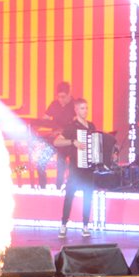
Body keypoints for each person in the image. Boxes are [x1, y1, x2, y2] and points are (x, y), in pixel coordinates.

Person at [53, 99, 96, 239]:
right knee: (69, 196)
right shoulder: (71, 127)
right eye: (82, 108)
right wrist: (73, 142)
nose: (85, 111)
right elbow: (57, 141)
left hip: (89, 168)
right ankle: (63, 224)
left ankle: (85, 225)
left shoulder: (91, 126)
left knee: (88, 197)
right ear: (76, 110)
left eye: (87, 108)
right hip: (75, 168)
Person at [40, 82, 76, 189]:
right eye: (59, 97)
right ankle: (42, 189)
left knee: (61, 163)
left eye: (63, 97)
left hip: (66, 141)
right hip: (53, 139)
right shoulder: (54, 104)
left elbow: (76, 126)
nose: (60, 99)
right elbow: (44, 120)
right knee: (41, 161)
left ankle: (58, 188)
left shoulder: (75, 106)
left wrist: (62, 132)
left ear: (69, 94)